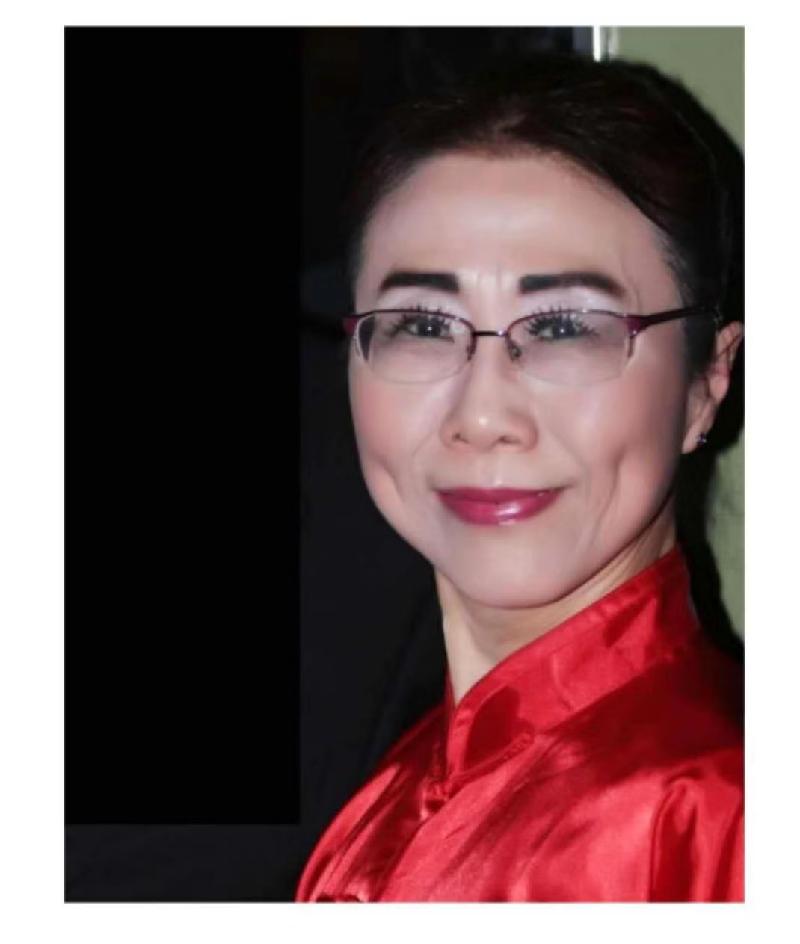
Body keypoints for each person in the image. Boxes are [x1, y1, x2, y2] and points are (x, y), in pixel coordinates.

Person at [296, 53, 744, 903]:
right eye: (422, 323)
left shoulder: (717, 816)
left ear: (707, 383)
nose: (483, 414)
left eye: (565, 327)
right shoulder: (389, 800)